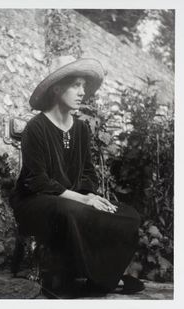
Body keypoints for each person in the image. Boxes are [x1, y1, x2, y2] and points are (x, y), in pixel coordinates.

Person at [10, 55, 144, 298]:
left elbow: (87, 172)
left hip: (71, 199)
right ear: (57, 89)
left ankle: (101, 277)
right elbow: (36, 181)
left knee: (126, 214)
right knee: (73, 211)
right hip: (34, 201)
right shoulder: (35, 128)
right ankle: (75, 279)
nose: (82, 92)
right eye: (76, 85)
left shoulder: (81, 129)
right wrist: (82, 200)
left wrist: (91, 195)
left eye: (84, 86)